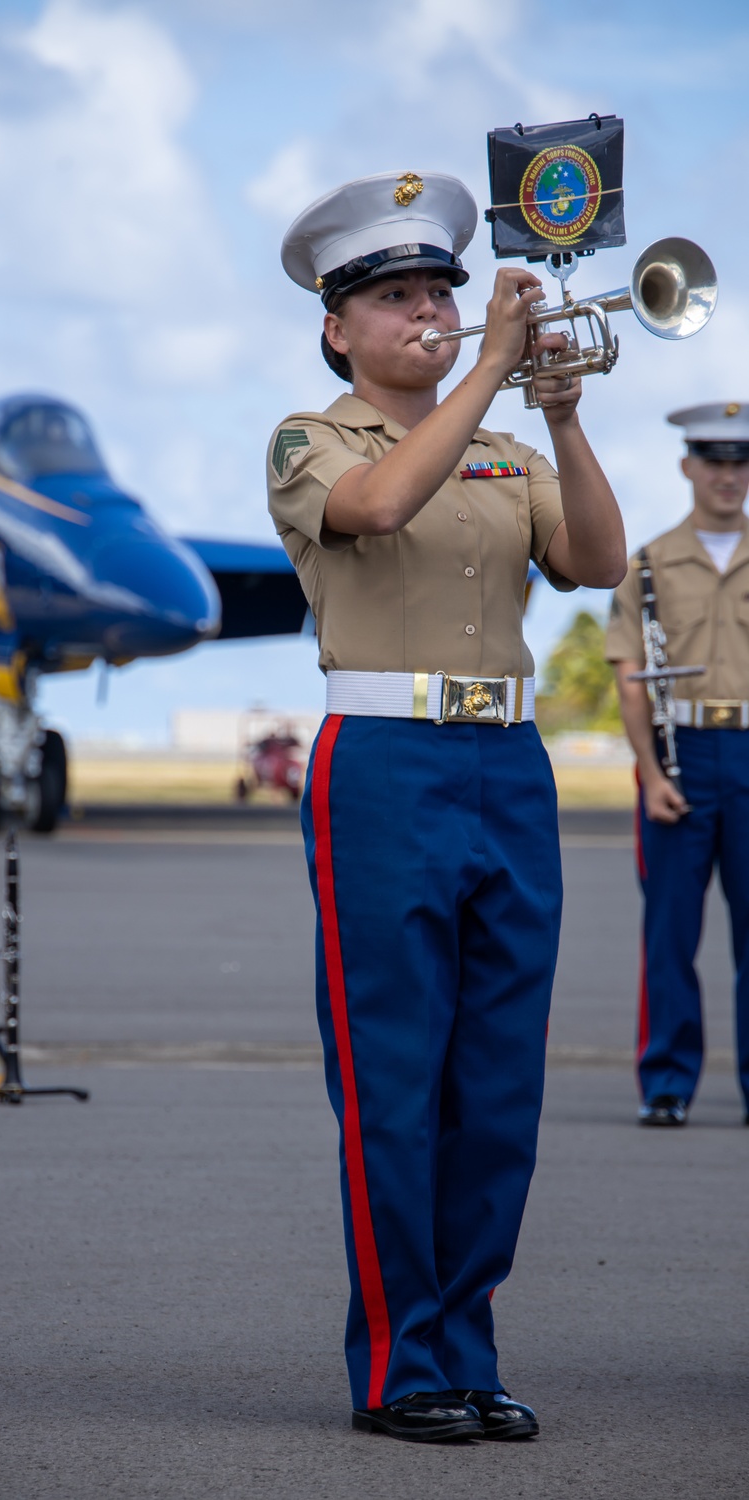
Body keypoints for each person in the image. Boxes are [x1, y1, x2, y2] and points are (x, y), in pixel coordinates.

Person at [266, 170, 625, 1444]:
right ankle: (398, 1366)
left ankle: (467, 1348)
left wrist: (562, 415)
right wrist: (487, 374)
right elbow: (374, 510)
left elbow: (594, 562)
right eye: (397, 297)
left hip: (507, 765)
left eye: (438, 293)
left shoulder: (505, 446)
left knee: (496, 1085)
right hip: (384, 763)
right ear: (337, 325)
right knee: (393, 1078)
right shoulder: (313, 442)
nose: (426, 313)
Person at [606, 402, 749, 1128]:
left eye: (740, 462)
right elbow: (632, 676)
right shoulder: (649, 563)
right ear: (688, 466)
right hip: (681, 756)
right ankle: (665, 1081)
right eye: (714, 462)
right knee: (669, 932)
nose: (728, 476)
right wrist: (653, 775)